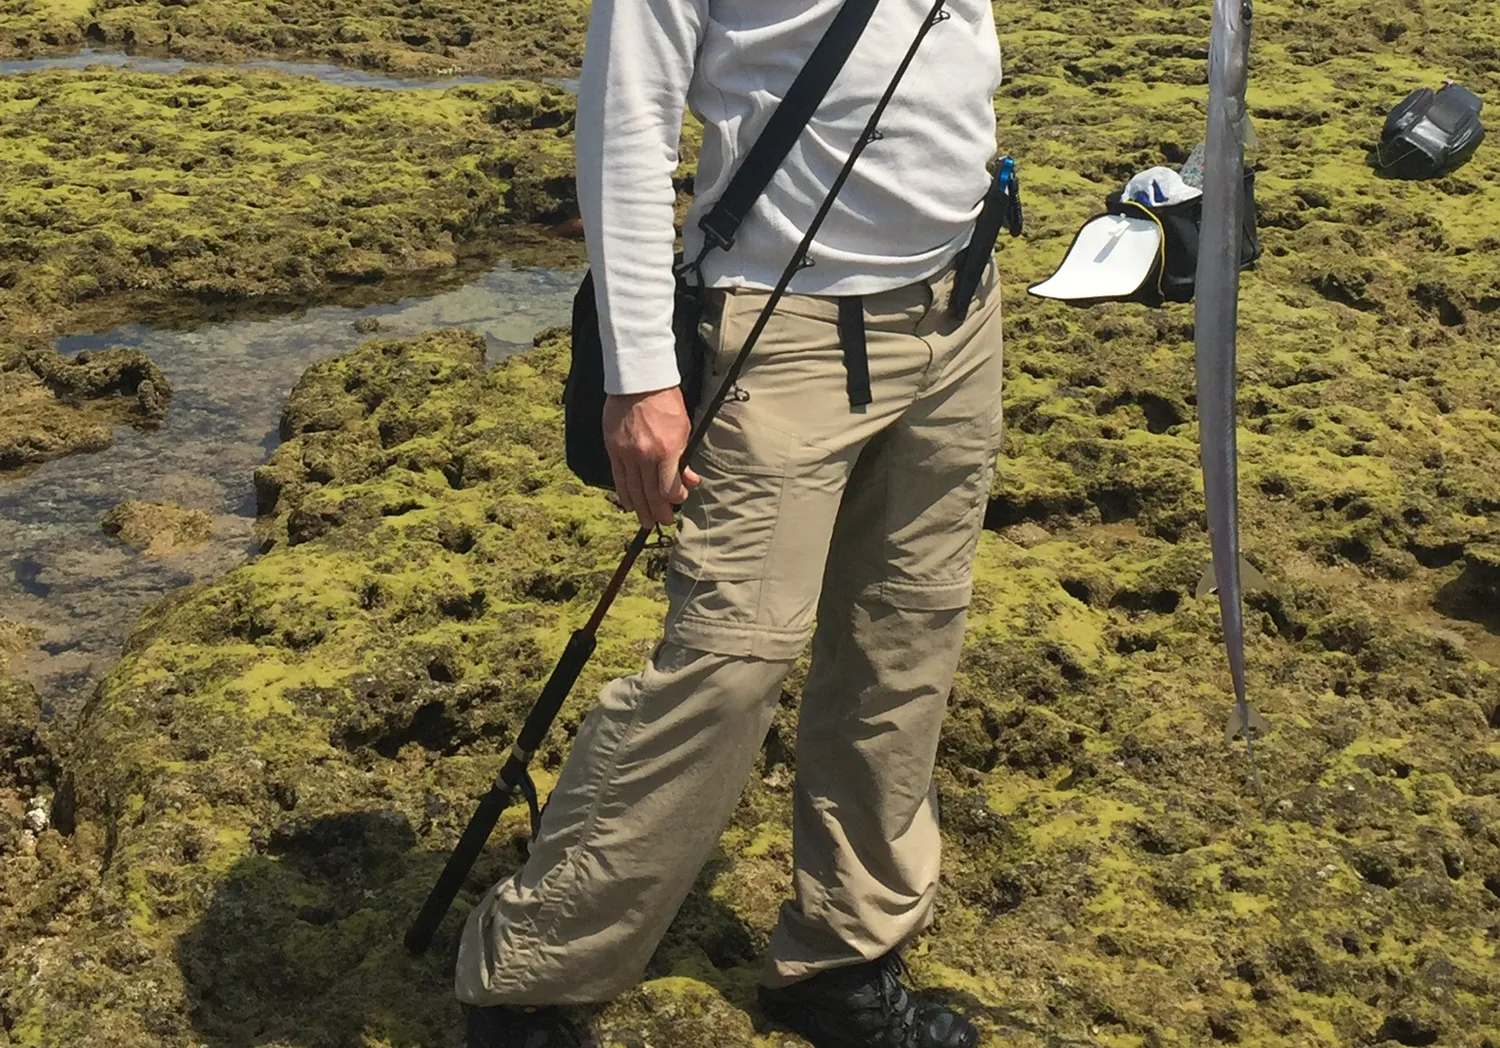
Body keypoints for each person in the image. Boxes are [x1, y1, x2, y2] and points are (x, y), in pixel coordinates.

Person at [455, 0, 1006, 1044]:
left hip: (961, 304)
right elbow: (627, 120)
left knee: (905, 637)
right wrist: (640, 377)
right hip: (776, 327)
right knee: (729, 659)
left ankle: (843, 956)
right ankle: (531, 978)